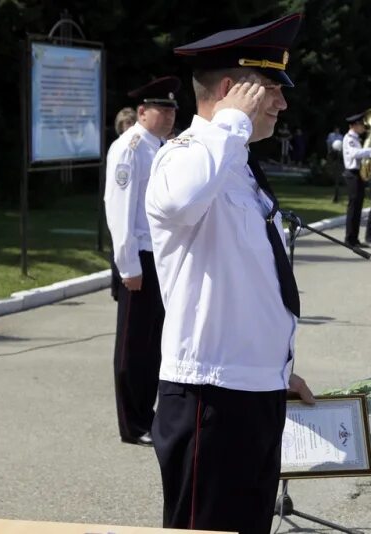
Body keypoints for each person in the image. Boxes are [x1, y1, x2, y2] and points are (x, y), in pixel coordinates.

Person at [144, 14, 315, 533]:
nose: (282, 103)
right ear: (228, 90)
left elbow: (249, 283)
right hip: (209, 398)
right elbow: (180, 201)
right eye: (269, 90)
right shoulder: (184, 157)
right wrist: (231, 122)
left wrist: (274, 370)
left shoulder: (235, 166)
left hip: (250, 390)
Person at [104, 76, 179, 447]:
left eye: (172, 109)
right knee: (133, 347)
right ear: (142, 112)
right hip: (140, 261)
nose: (169, 116)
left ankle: (147, 415)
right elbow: (119, 212)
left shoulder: (161, 146)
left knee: (154, 345)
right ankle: (133, 424)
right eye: (162, 109)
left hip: (161, 258)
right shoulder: (130, 148)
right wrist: (128, 267)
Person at [343, 111, 371, 248]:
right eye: (361, 125)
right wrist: (369, 151)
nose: (363, 127)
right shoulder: (349, 138)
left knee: (358, 208)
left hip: (358, 174)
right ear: (354, 125)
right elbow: (353, 153)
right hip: (352, 174)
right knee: (353, 207)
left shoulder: (356, 138)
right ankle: (349, 239)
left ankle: (354, 238)